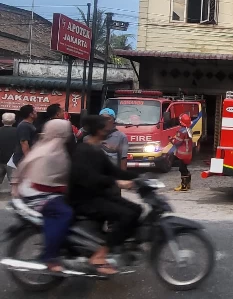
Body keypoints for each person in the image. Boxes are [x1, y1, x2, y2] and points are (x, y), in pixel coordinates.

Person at [69, 115, 141, 275]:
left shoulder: (97, 150)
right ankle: (99, 256)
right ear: (99, 130)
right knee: (126, 215)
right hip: (84, 199)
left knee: (136, 209)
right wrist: (116, 182)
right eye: (107, 125)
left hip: (98, 195)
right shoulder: (83, 150)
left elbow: (114, 170)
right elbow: (87, 179)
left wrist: (140, 178)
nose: (111, 127)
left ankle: (117, 245)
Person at [12, 119, 74, 272]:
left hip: (43, 190)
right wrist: (15, 184)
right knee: (64, 214)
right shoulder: (51, 149)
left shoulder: (46, 145)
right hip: (37, 194)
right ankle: (49, 257)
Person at [172, 113, 194, 192]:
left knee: (182, 169)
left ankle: (184, 186)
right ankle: (187, 184)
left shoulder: (181, 131)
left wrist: (171, 140)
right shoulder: (189, 130)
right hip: (188, 153)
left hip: (182, 154)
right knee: (185, 168)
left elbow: (177, 142)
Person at [0, 113, 17, 189]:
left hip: (0, 159)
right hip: (12, 161)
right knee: (14, 183)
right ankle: (15, 198)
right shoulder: (18, 131)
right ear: (14, 121)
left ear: (2, 121)